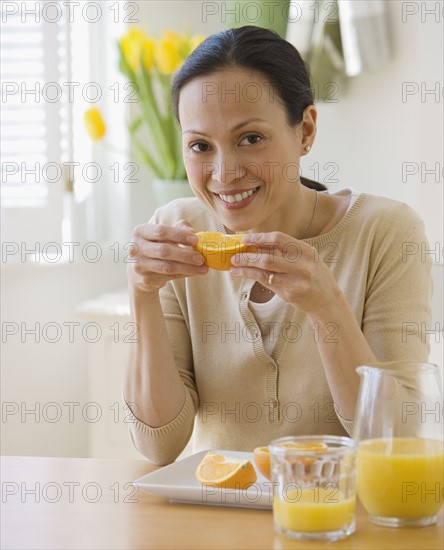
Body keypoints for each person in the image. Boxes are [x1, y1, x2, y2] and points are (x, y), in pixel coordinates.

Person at [123, 26, 432, 465]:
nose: (225, 173)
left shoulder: (386, 233)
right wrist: (141, 295)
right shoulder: (176, 229)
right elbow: (159, 446)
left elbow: (395, 440)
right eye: (200, 146)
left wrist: (328, 309)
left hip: (343, 518)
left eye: (251, 139)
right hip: (217, 518)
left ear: (305, 130)